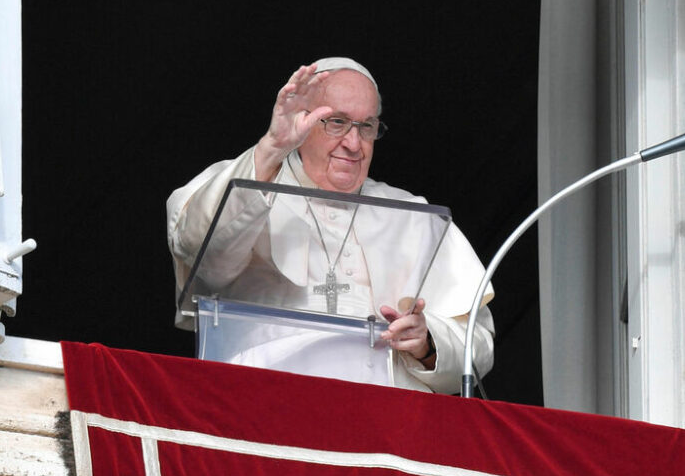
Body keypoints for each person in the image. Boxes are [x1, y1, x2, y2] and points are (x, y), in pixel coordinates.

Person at [166, 57, 493, 394]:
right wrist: (272, 149)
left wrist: (428, 344)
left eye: (367, 126)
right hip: (264, 404)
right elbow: (203, 257)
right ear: (301, 122)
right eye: (336, 122)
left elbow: (478, 343)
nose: (354, 144)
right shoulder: (245, 178)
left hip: (387, 423)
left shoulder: (415, 217)